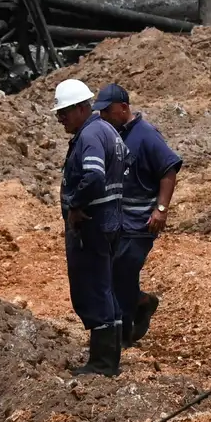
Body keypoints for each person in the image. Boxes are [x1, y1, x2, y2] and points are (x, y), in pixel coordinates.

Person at [54, 77, 130, 376]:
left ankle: (103, 362)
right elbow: (126, 165)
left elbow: (95, 177)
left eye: (64, 112)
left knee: (93, 288)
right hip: (109, 220)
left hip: (93, 225)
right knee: (104, 286)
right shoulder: (108, 130)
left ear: (82, 108)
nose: (60, 118)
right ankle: (109, 356)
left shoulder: (90, 136)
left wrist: (75, 204)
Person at [95, 83, 182, 347]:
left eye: (107, 111)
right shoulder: (114, 134)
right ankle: (142, 303)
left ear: (123, 108)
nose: (103, 117)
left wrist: (161, 210)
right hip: (118, 221)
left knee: (122, 271)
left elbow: (169, 170)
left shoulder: (146, 135)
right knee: (115, 273)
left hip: (142, 222)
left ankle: (123, 336)